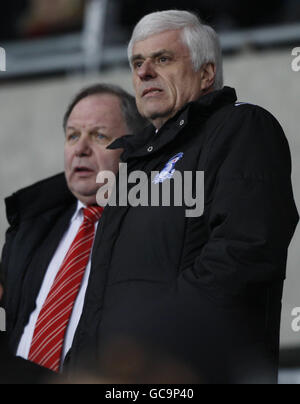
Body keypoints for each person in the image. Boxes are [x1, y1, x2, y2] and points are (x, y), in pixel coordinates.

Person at [63, 10, 297, 383]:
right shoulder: (133, 164)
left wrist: (152, 347)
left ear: (206, 74)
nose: (143, 72)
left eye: (163, 59)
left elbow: (244, 250)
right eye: (137, 62)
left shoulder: (241, 127)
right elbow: (101, 293)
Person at [0, 83, 147, 382]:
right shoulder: (30, 228)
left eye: (99, 135)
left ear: (135, 147)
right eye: (72, 135)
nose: (80, 149)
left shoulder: (153, 227)